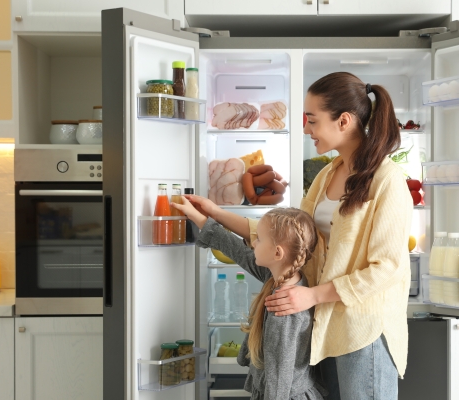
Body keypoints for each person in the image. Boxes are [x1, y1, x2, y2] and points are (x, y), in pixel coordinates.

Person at [185, 71, 412, 399]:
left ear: (344, 121)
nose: (305, 129)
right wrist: (216, 213)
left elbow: (386, 269)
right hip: (324, 327)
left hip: (362, 333)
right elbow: (289, 240)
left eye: (312, 120)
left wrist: (313, 296)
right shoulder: (326, 175)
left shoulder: (388, 181)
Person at [171, 200, 326, 400]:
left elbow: (279, 376)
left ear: (277, 253)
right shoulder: (281, 279)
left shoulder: (282, 307)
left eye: (259, 240)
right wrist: (199, 216)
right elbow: (236, 249)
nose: (253, 243)